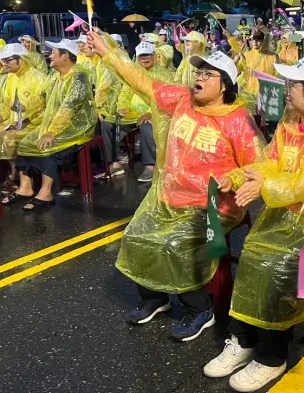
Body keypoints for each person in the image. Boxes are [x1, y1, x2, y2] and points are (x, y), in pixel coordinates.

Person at [88, 31, 265, 342]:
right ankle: (154, 298)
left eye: (208, 74)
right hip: (169, 195)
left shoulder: (237, 119)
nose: (199, 77)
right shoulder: (182, 99)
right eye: (198, 71)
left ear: (224, 85)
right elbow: (139, 80)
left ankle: (201, 308)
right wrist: (108, 52)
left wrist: (234, 179)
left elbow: (258, 166)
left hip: (212, 202)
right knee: (137, 236)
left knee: (176, 244)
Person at [206, 55, 304, 392]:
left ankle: (272, 356)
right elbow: (269, 161)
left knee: (275, 264)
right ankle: (243, 339)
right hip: (289, 212)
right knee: (250, 251)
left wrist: (264, 186)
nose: (286, 90)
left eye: (293, 85)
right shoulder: (291, 121)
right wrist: (236, 177)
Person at [15, 39, 96, 211]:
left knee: (46, 146)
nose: (50, 55)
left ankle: (46, 192)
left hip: (78, 126)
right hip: (55, 124)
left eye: (54, 52)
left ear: (65, 56)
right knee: (24, 142)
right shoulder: (54, 76)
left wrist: (52, 132)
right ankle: (26, 187)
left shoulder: (79, 77)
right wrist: (25, 111)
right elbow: (42, 98)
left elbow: (70, 107)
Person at [104, 41, 173, 182]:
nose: (145, 59)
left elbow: (165, 97)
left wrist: (151, 113)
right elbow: (124, 94)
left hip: (154, 112)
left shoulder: (164, 74)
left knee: (147, 125)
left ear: (154, 56)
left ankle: (150, 166)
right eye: (142, 56)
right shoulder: (133, 74)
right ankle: (114, 163)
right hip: (132, 114)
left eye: (148, 55)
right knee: (107, 124)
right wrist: (122, 108)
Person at [0, 42, 50, 199]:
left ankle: (23, 182)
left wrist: (25, 120)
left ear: (21, 59)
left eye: (8, 60)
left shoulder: (39, 78)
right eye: (3, 60)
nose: (4, 64)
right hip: (16, 123)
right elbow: (6, 103)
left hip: (35, 124)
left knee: (13, 138)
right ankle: (15, 176)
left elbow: (44, 108)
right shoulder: (11, 78)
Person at [234, 31, 278, 114]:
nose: (255, 41)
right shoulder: (246, 55)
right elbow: (238, 70)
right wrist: (235, 62)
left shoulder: (273, 57)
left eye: (259, 39)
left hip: (265, 92)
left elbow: (277, 75)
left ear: (263, 41)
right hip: (249, 92)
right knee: (251, 118)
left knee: (264, 120)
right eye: (254, 39)